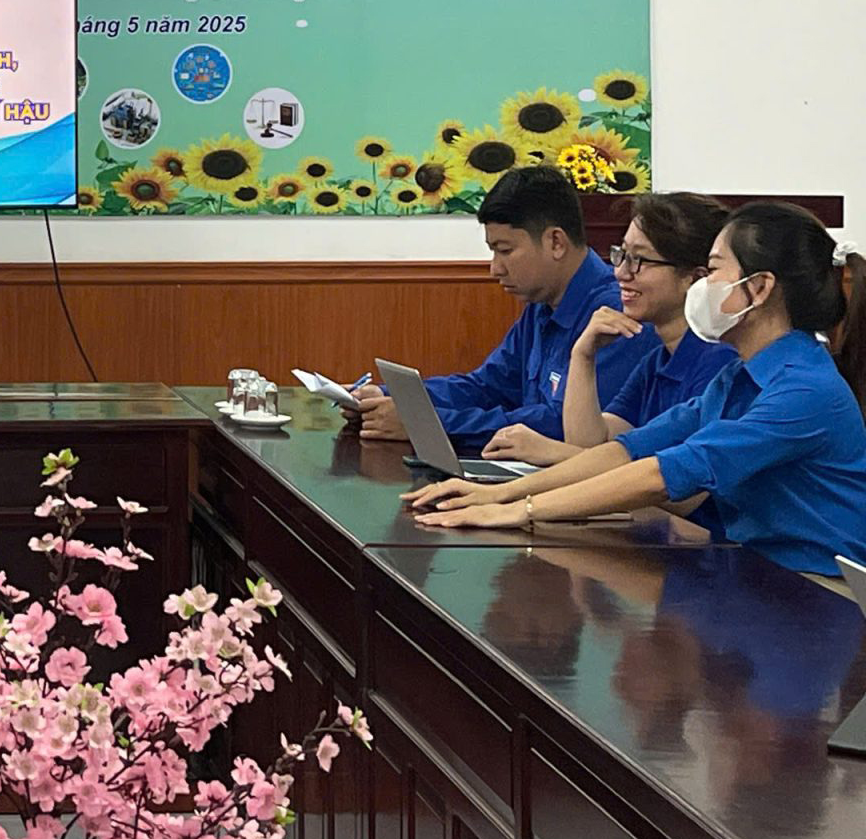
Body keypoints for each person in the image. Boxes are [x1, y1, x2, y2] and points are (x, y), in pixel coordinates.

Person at [407, 201, 866, 578]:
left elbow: (664, 474)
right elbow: (627, 450)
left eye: (713, 271)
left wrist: (523, 510)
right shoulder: (737, 376)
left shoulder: (805, 390)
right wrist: (499, 495)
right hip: (759, 573)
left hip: (818, 591)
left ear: (760, 287)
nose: (704, 285)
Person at [345, 165, 652, 449]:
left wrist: (426, 424)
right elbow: (486, 387)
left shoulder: (617, 315)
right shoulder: (542, 302)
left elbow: (563, 427)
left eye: (505, 250)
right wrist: (388, 396)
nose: (495, 269)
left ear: (556, 242)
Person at [478, 192, 737, 470]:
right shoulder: (656, 361)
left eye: (639, 260)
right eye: (622, 255)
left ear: (695, 278)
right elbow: (591, 443)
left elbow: (677, 479)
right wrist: (582, 355)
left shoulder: (719, 361)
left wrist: (552, 452)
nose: (620, 273)